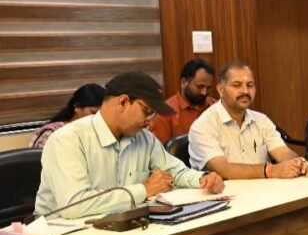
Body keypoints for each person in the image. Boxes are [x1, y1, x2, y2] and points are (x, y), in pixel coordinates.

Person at [34, 72, 224, 219]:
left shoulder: (144, 138)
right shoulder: (67, 139)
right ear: (123, 102)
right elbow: (75, 205)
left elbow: (175, 172)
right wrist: (144, 190)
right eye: (146, 111)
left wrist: (203, 179)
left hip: (118, 227)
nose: (149, 121)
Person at [188, 61, 308, 179]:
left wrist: (297, 163)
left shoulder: (261, 120)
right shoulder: (203, 126)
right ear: (221, 90)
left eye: (250, 85)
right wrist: (270, 170)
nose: (245, 91)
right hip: (224, 192)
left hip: (264, 190)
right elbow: (222, 169)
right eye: (237, 85)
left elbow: (283, 153)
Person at [149, 58, 218, 144]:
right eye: (200, 87)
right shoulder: (165, 112)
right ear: (184, 82)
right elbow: (160, 149)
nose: (204, 93)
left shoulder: (216, 106)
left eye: (208, 88)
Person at [30, 83, 105, 149]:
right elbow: (38, 159)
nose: (98, 117)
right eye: (93, 112)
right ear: (77, 107)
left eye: (101, 113)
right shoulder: (51, 133)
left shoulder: (95, 132)